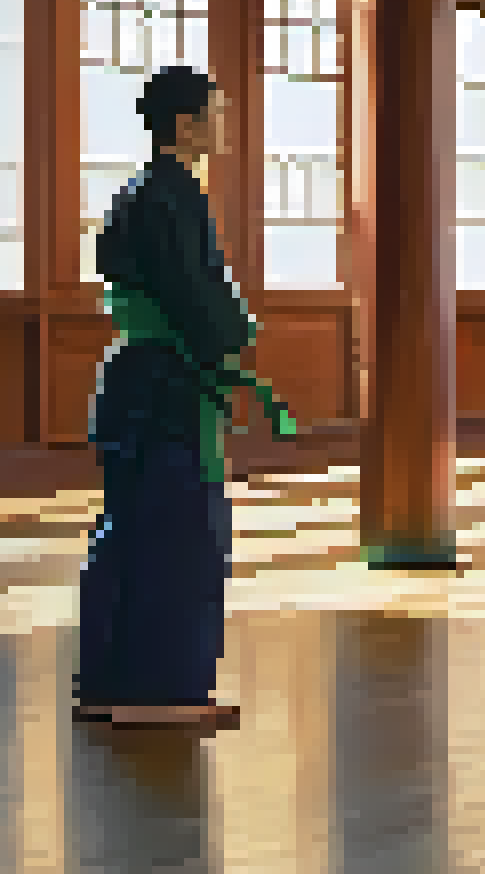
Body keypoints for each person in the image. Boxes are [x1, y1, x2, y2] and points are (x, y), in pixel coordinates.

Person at [77, 65, 296, 730]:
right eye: (217, 112)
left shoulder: (138, 193)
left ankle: (110, 683)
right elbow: (201, 306)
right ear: (185, 125)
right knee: (179, 536)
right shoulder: (172, 196)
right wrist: (236, 334)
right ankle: (161, 690)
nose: (224, 124)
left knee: (130, 531)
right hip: (166, 390)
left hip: (137, 384)